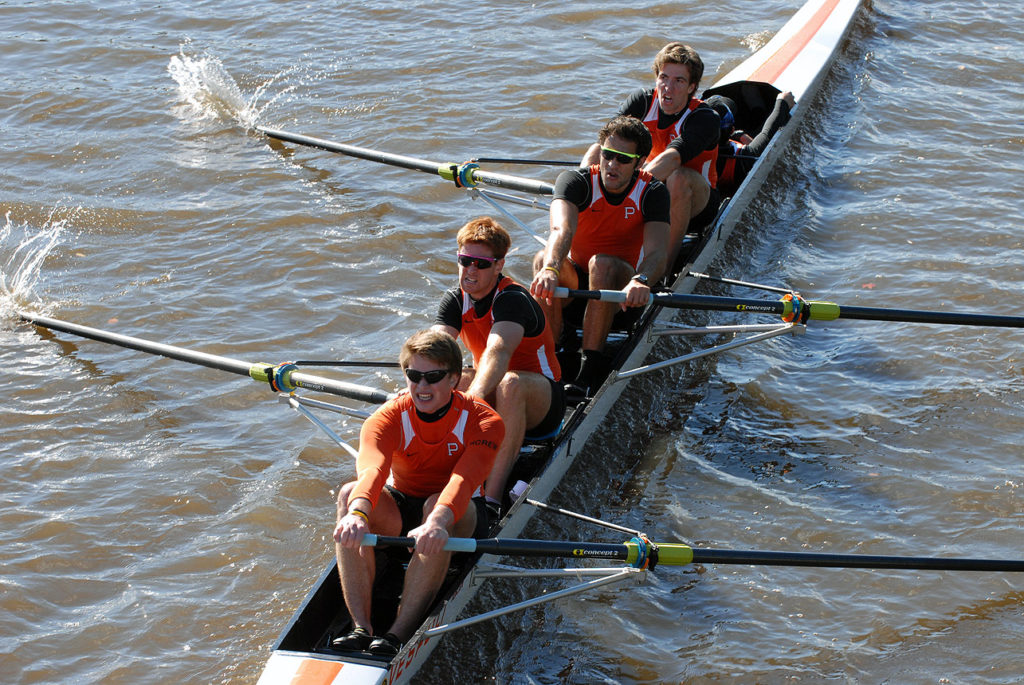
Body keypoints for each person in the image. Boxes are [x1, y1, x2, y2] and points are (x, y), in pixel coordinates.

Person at [330, 329, 504, 656]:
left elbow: (463, 482)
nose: (422, 387)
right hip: (404, 512)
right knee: (349, 494)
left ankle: (397, 635)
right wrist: (357, 513)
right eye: (414, 376)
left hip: (459, 516)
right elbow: (372, 471)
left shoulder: (484, 420)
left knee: (436, 503)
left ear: (454, 378)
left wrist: (436, 520)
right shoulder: (387, 418)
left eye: (433, 377)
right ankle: (360, 627)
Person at [432, 216, 565, 519]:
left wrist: (474, 398)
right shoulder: (455, 299)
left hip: (542, 402)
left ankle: (491, 500)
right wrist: (417, 384)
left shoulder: (512, 299)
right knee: (450, 379)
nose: (470, 270)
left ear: (499, 265)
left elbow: (499, 350)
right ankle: (433, 478)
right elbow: (436, 351)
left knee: (509, 383)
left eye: (480, 264)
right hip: (495, 391)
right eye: (465, 260)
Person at [532, 115, 670, 397]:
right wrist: (550, 268)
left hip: (622, 296)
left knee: (602, 264)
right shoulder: (576, 182)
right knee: (542, 259)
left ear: (640, 162)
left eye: (622, 159)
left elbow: (658, 253)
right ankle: (552, 357)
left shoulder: (653, 192)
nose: (612, 165)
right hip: (576, 290)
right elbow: (561, 229)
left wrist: (641, 280)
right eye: (607, 155)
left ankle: (587, 371)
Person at [582, 42, 720, 271]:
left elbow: (672, 159)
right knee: (599, 156)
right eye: (664, 77)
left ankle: (663, 271)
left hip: (697, 201)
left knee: (678, 177)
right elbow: (605, 144)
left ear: (691, 87)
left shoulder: (704, 117)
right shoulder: (641, 102)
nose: (668, 87)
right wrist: (588, 185)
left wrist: (625, 190)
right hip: (651, 191)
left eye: (679, 81)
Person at [705, 91, 795, 196]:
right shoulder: (743, 159)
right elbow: (767, 134)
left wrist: (740, 135)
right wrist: (783, 102)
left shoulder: (689, 149)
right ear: (731, 130)